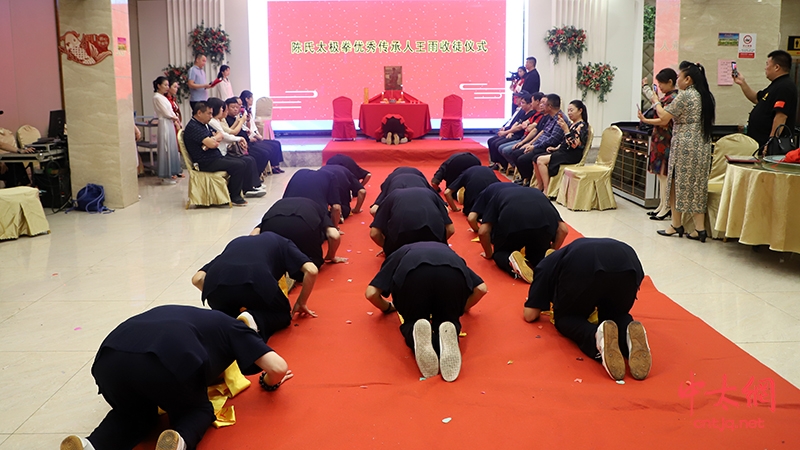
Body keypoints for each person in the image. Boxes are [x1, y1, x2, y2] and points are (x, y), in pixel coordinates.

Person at [59, 305, 292, 450]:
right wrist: (268, 382)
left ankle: (90, 446)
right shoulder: (236, 328)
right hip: (164, 362)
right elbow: (278, 367)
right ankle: (178, 440)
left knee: (132, 414)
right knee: (198, 410)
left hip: (109, 359)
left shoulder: (197, 317)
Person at [523, 238, 651, 382]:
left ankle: (596, 336)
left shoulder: (544, 266)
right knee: (615, 314)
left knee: (566, 318)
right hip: (629, 261)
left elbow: (530, 314)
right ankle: (627, 334)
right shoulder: (562, 255)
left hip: (584, 264)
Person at [365, 242, 488, 381]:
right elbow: (481, 289)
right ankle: (449, 329)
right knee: (447, 319)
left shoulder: (400, 252)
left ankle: (415, 329)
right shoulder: (449, 252)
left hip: (413, 277)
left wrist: (387, 307)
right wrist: (461, 308)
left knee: (414, 321)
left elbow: (371, 294)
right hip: (452, 276)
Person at [639, 61, 716, 242]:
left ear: (688, 79)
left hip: (685, 144)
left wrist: (656, 102)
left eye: (680, 76)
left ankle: (676, 224)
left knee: (674, 182)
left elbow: (664, 117)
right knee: (697, 186)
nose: (678, 79)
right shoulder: (704, 95)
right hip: (702, 143)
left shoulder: (685, 95)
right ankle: (699, 229)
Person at [192, 232, 319, 341]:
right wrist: (301, 302)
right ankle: (253, 318)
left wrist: (220, 295)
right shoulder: (283, 242)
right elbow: (311, 270)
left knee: (228, 316)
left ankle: (223, 320)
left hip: (216, 284)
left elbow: (197, 279)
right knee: (282, 315)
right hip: (255, 279)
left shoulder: (237, 242)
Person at [477, 186, 568, 282]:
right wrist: (554, 248)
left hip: (513, 221)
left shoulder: (497, 195)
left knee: (500, 253)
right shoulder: (537, 193)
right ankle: (546, 256)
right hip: (543, 222)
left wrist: (489, 254)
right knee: (537, 252)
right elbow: (563, 230)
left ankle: (510, 259)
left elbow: (483, 231)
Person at [182, 101, 249, 206]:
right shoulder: (193, 127)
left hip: (213, 157)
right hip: (205, 162)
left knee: (243, 162)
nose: (211, 116)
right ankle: (234, 196)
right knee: (239, 165)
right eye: (208, 113)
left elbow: (220, 135)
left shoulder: (203, 124)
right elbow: (213, 144)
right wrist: (212, 141)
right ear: (199, 113)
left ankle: (230, 192)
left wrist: (211, 140)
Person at [734, 50, 798, 151]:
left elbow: (781, 116)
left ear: (777, 67)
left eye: (767, 64)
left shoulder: (785, 87)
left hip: (771, 145)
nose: (765, 68)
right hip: (758, 142)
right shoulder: (775, 85)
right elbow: (756, 98)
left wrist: (771, 142)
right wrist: (742, 82)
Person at [252, 197, 345, 267]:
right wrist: (330, 256)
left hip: (272, 225)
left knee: (275, 261)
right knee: (311, 263)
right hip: (303, 227)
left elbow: (253, 235)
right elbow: (334, 235)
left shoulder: (280, 203)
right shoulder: (318, 208)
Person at [369, 187, 455, 257]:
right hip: (433, 242)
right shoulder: (430, 193)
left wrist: (387, 248)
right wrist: (440, 244)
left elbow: (374, 233)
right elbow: (450, 229)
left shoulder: (392, 196)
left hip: (400, 246)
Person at [206, 97, 265, 198]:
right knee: (244, 161)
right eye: (222, 109)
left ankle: (252, 186)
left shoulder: (216, 121)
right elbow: (226, 135)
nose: (224, 111)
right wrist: (239, 138)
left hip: (224, 150)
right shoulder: (213, 122)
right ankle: (245, 189)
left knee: (249, 159)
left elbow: (225, 134)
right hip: (221, 153)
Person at [642, 68, 679, 220]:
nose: (660, 87)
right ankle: (661, 205)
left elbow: (665, 120)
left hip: (666, 139)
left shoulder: (673, 99)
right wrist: (645, 88)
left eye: (662, 83)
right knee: (660, 174)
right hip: (659, 139)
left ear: (670, 82)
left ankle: (666, 207)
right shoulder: (665, 97)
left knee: (665, 176)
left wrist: (646, 121)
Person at [534, 99, 589, 193]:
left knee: (540, 160)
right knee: (535, 158)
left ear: (580, 111)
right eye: (568, 110)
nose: (569, 113)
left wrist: (566, 130)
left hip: (572, 154)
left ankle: (547, 189)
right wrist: (556, 148)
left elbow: (574, 144)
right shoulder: (573, 124)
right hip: (564, 151)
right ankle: (540, 185)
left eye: (572, 110)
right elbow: (565, 142)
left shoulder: (581, 126)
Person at [514, 94, 570, 186]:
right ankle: (527, 178)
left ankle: (529, 180)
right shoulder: (551, 117)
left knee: (522, 158)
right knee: (517, 152)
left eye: (544, 104)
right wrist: (531, 144)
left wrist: (534, 146)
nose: (541, 105)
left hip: (547, 147)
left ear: (550, 106)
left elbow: (553, 140)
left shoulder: (560, 119)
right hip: (540, 144)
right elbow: (543, 133)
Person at [223, 97, 274, 177]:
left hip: (247, 142)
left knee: (266, 151)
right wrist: (239, 122)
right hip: (238, 146)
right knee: (259, 155)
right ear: (226, 108)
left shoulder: (237, 117)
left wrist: (246, 122)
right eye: (233, 107)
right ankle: (255, 179)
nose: (236, 109)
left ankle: (258, 176)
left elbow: (246, 129)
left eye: (237, 107)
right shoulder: (226, 120)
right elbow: (231, 132)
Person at [487, 92, 536, 171]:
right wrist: (508, 131)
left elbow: (520, 127)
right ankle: (498, 163)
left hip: (519, 136)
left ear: (530, 104)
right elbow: (517, 123)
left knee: (500, 146)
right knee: (492, 141)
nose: (520, 103)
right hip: (513, 132)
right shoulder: (523, 112)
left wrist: (508, 132)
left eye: (523, 102)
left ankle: (508, 166)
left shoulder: (532, 113)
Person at [240, 91, 285, 173]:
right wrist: (255, 136)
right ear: (247, 99)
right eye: (251, 98)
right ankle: (260, 173)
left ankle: (275, 165)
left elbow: (252, 127)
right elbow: (246, 129)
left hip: (254, 135)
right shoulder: (243, 113)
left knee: (276, 143)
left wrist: (257, 134)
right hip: (250, 139)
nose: (253, 100)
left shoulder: (248, 111)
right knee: (267, 150)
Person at [498, 92, 546, 169]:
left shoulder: (543, 116)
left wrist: (527, 143)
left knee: (509, 151)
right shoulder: (535, 114)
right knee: (500, 146)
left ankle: (520, 172)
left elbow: (534, 130)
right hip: (525, 138)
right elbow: (524, 124)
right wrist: (510, 131)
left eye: (543, 103)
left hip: (533, 141)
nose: (541, 105)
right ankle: (514, 168)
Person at [152, 76, 183, 184]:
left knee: (171, 147)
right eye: (165, 85)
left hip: (169, 122)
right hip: (164, 122)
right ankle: (165, 175)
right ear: (158, 85)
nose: (167, 87)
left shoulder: (163, 97)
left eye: (167, 85)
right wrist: (175, 118)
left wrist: (176, 120)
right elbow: (165, 112)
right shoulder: (156, 97)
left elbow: (171, 111)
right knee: (165, 147)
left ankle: (171, 173)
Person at [369, 167, 436, 215]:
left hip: (404, 178)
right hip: (414, 178)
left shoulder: (392, 191)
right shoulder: (424, 190)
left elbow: (374, 211)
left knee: (374, 210)